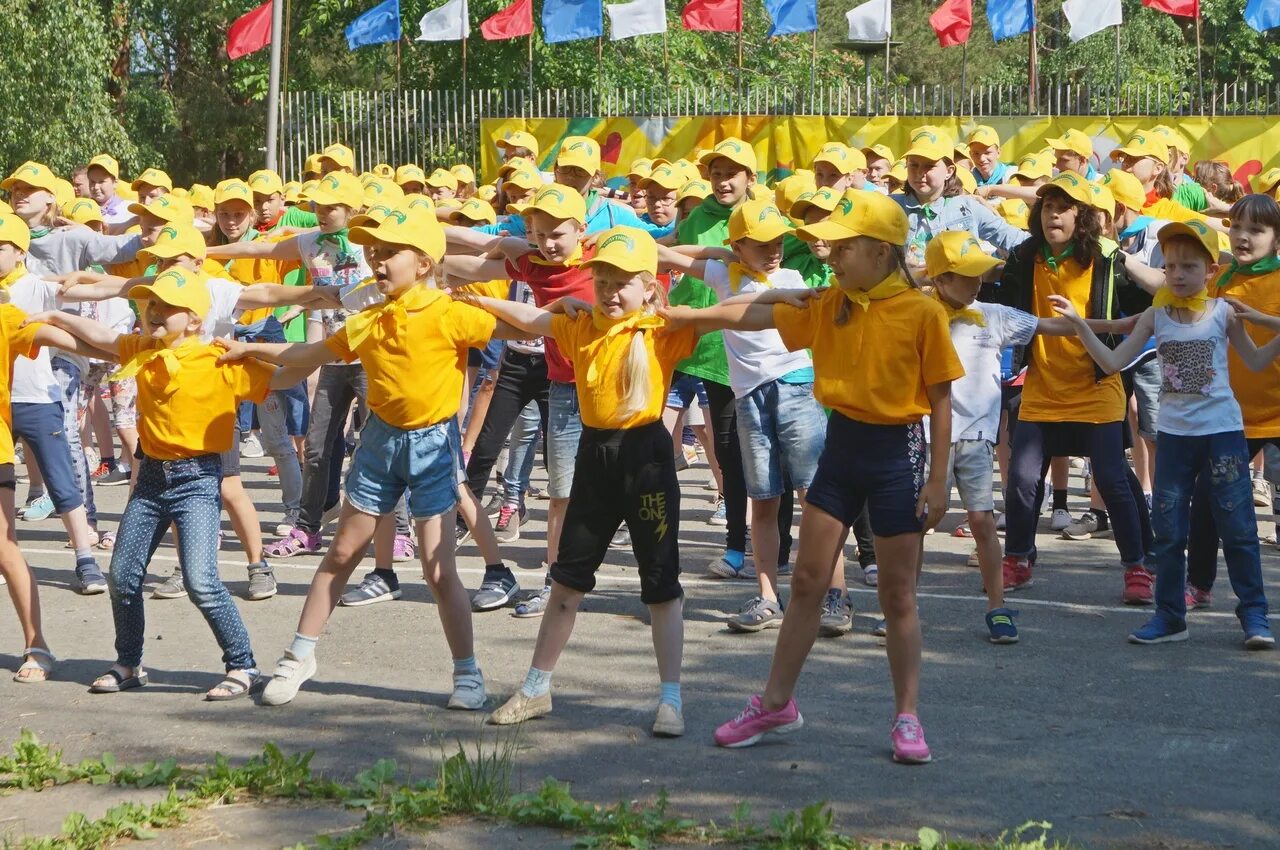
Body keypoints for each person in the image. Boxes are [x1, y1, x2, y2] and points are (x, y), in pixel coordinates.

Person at [686, 190, 960, 764]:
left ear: (882, 253)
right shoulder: (833, 301)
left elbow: (940, 399)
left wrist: (939, 479)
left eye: (844, 246)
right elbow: (755, 310)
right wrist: (685, 318)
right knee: (808, 581)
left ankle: (907, 716)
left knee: (897, 595)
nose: (829, 254)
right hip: (842, 448)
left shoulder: (923, 312)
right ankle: (776, 704)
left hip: (898, 456)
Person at [476, 226, 781, 736]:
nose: (611, 291)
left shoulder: (664, 328)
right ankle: (534, 689)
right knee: (567, 580)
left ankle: (670, 700)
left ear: (649, 287)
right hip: (595, 459)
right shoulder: (581, 324)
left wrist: (692, 313)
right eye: (602, 280)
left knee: (660, 585)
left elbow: (751, 312)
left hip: (647, 461)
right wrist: (475, 303)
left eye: (623, 281)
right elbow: (528, 317)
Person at [219, 208, 497, 709]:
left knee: (439, 571)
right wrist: (248, 354)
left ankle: (467, 672)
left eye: (390, 253)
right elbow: (312, 354)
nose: (378, 262)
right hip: (379, 443)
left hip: (433, 446)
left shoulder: (454, 312)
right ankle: (298, 655)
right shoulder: (368, 319)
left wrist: (569, 310)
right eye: (374, 254)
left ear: (426, 261)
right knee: (343, 554)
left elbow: (516, 330)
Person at [33, 267, 275, 700]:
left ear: (196, 320)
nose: (154, 311)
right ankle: (129, 662)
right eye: (150, 304)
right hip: (151, 480)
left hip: (198, 479)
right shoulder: (144, 348)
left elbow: (283, 376)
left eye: (166, 306)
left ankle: (243, 665)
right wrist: (57, 317)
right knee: (123, 576)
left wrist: (263, 350)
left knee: (201, 581)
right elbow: (103, 338)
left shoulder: (221, 358)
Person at [1051, 219, 1275, 649]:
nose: (1177, 274)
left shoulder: (1224, 312)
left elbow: (1258, 360)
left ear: (1211, 270)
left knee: (1240, 527)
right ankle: (1170, 616)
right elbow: (1114, 362)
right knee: (1169, 531)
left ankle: (1255, 617)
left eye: (1189, 266)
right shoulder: (1155, 316)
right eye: (1171, 265)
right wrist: (1080, 325)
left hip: (1224, 434)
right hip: (1174, 439)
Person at [657, 199, 826, 633]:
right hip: (749, 395)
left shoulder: (789, 279)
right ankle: (769, 597)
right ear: (737, 244)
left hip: (794, 386)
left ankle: (834, 596)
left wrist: (697, 309)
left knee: (814, 499)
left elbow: (753, 307)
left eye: (778, 240)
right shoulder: (722, 273)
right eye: (760, 242)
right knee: (764, 501)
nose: (773, 249)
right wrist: (715, 253)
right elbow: (658, 252)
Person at [992, 171, 1153, 603]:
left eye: (1064, 207)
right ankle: (1019, 558)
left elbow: (1155, 283)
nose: (1054, 214)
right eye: (1047, 206)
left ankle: (1137, 566)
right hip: (1043, 387)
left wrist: (1189, 283)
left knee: (1111, 478)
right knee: (1023, 480)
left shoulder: (1106, 256)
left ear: (1081, 215)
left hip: (1097, 385)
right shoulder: (1025, 256)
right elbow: (999, 303)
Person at [0, 219, 118, 682]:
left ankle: (38, 646)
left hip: (24, 420)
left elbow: (65, 338)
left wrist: (135, 351)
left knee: (7, 549)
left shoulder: (10, 314)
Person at [1186, 195, 1280, 608]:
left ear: (1276, 239)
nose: (1243, 237)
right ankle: (1199, 585)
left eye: (1256, 230)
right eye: (1237, 227)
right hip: (1233, 418)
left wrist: (1263, 320)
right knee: (1206, 501)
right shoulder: (1219, 278)